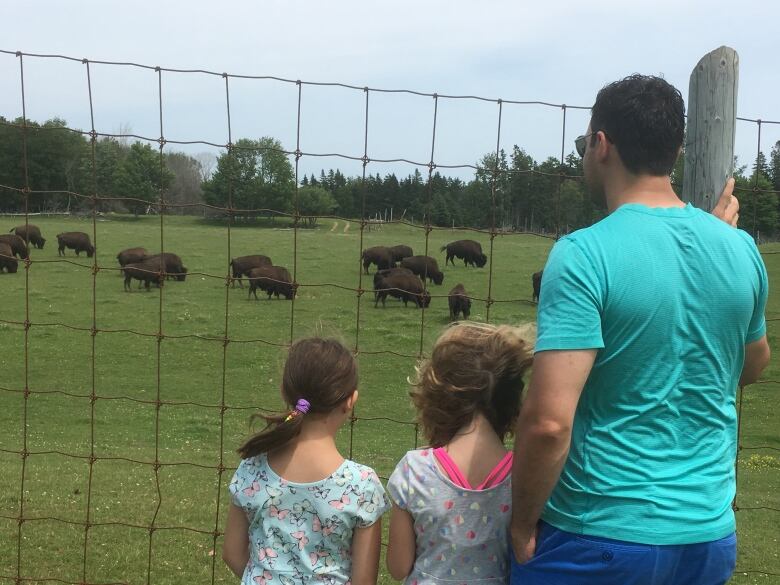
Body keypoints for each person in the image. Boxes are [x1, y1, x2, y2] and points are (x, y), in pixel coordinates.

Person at [510, 74, 770, 585]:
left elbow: (548, 424)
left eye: (585, 142)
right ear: (675, 149)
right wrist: (718, 242)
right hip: (706, 535)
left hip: (598, 533)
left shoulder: (583, 254)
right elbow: (753, 364)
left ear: (601, 145)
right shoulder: (741, 250)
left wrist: (521, 524)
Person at [223, 337, 391, 585]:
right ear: (350, 401)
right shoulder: (362, 486)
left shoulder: (252, 468)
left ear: (285, 392)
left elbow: (232, 554)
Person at [386, 322, 535, 584]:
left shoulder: (414, 470)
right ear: (511, 398)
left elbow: (398, 567)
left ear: (438, 395)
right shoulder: (525, 476)